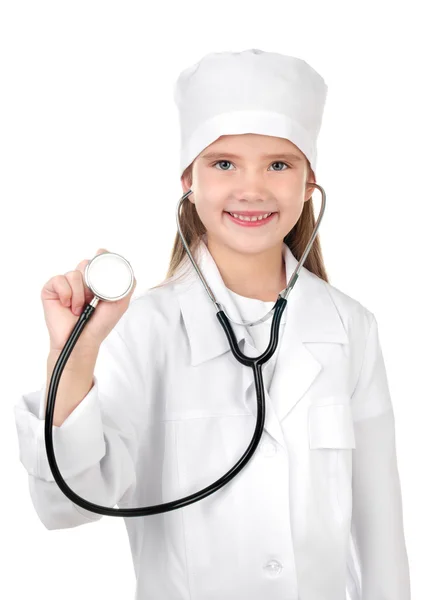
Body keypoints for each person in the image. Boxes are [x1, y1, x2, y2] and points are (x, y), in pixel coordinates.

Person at [13, 49, 411, 600]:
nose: (252, 189)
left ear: (309, 181)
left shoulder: (351, 327)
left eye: (279, 163)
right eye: (224, 164)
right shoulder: (143, 326)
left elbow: (381, 534)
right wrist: (72, 356)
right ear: (188, 181)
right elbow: (64, 504)